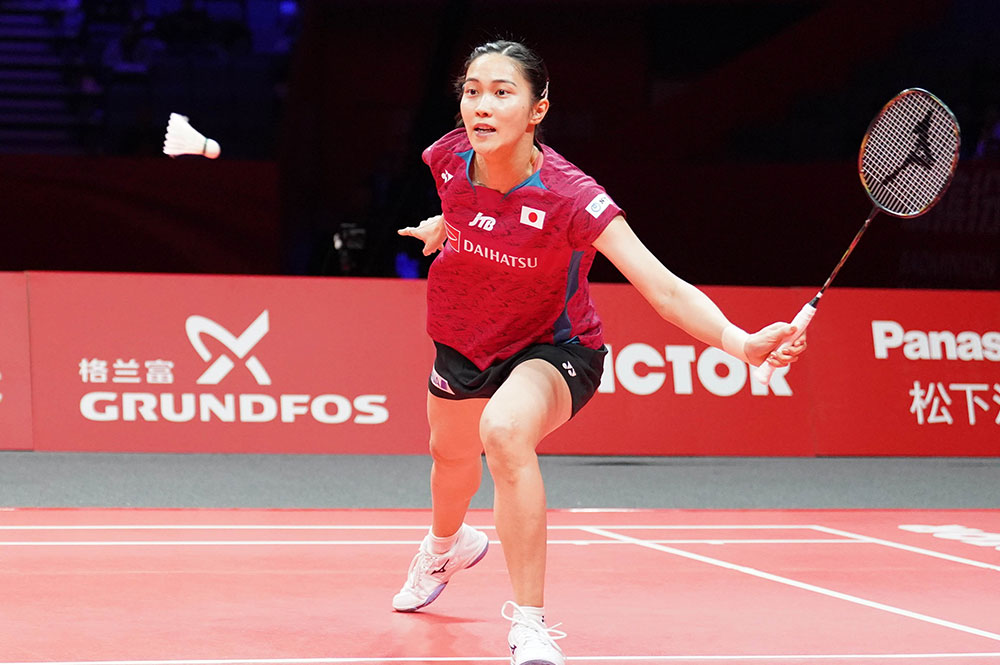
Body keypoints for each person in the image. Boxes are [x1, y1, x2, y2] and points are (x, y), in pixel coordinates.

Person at [394, 40, 806, 665]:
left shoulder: (572, 197)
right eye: (472, 91)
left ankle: (530, 624)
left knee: (504, 433)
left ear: (537, 110)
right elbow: (469, 211)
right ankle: (445, 547)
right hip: (464, 336)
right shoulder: (448, 157)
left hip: (553, 347)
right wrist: (442, 226)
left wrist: (740, 342)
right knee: (449, 458)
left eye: (502, 93)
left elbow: (663, 288)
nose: (481, 105)